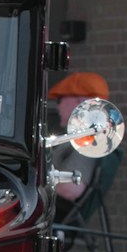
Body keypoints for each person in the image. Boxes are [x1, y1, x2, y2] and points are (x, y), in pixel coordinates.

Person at [49, 70, 109, 205]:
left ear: (80, 101)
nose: (58, 106)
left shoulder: (87, 140)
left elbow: (70, 190)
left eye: (60, 99)